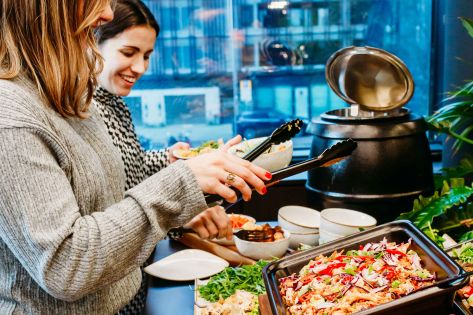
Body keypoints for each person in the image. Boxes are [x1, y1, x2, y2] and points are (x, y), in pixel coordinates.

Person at [0, 1, 271, 314]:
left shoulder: (71, 95)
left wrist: (181, 172)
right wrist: (181, 184)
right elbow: (66, 266)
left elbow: (110, 190)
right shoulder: (12, 117)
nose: (107, 14)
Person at [93, 2, 239, 312]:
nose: (140, 68)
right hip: (111, 284)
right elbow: (108, 201)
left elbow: (126, 167)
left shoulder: (113, 101)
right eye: (128, 52)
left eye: (146, 56)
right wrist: (180, 203)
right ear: (93, 42)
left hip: (132, 273)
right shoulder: (86, 108)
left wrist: (169, 160)